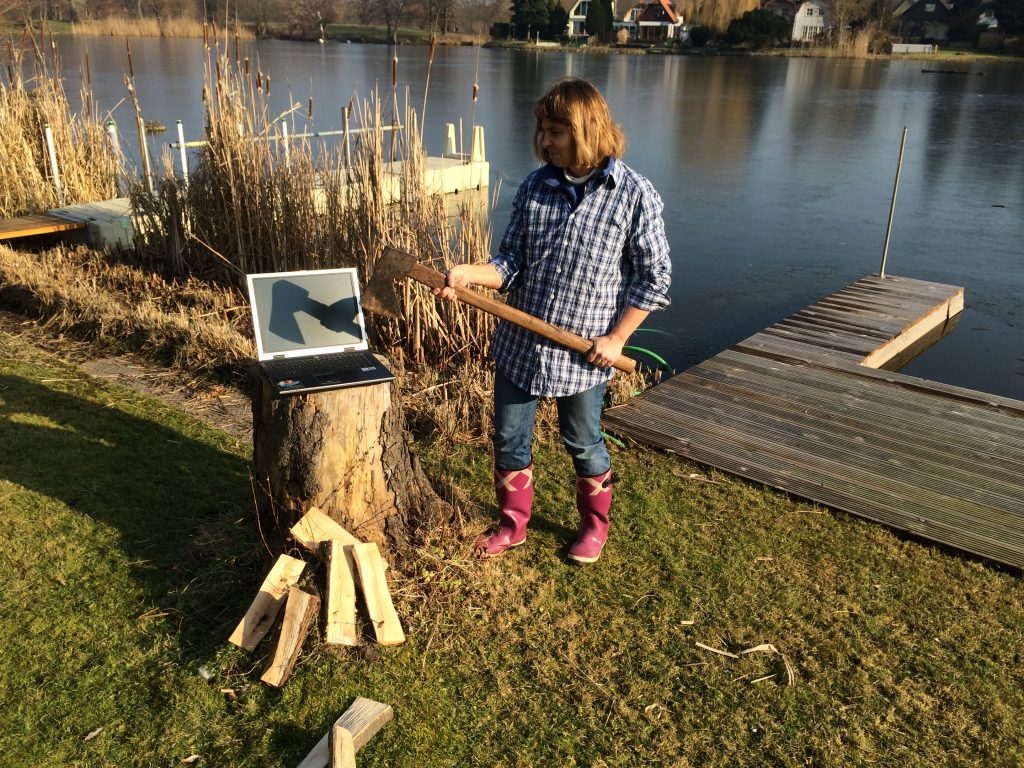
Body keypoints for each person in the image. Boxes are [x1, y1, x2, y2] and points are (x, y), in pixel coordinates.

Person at [436, 77, 671, 565]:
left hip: (584, 355)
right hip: (521, 346)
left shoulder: (634, 195)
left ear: (587, 129)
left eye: (556, 131)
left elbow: (654, 279)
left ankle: (593, 527)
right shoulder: (536, 185)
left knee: (584, 443)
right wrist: (467, 275)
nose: (544, 141)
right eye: (541, 130)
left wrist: (618, 337)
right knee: (508, 437)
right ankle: (512, 525)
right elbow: (510, 263)